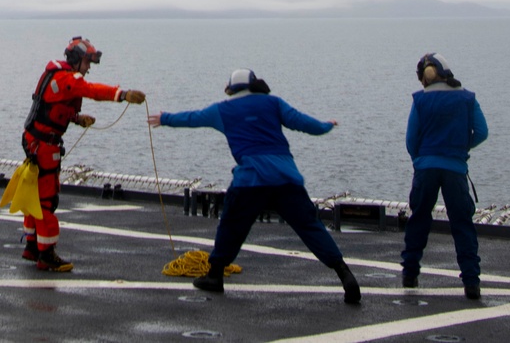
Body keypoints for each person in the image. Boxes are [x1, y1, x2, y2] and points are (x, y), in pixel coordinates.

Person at [148, 68, 360, 304]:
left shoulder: (222, 110)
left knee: (231, 226)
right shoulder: (273, 103)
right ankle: (345, 274)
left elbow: (192, 118)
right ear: (254, 84)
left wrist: (164, 118)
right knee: (310, 227)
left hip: (250, 180)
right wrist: (327, 125)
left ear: (230, 88)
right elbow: (305, 124)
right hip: (285, 177)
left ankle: (215, 276)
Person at [21, 36, 146, 272]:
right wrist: (123, 94)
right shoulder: (67, 79)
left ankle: (32, 246)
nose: (88, 69)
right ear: (77, 60)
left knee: (34, 196)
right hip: (44, 145)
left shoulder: (55, 76)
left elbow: (51, 108)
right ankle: (46, 254)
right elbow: (91, 90)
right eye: (87, 63)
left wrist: (76, 119)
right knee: (47, 199)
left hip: (35, 141)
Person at [401, 53, 488, 300]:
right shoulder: (467, 98)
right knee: (462, 224)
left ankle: (410, 274)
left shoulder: (420, 100)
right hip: (455, 169)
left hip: (426, 168)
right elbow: (482, 132)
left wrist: (420, 161)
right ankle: (471, 282)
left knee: (418, 219)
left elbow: (411, 140)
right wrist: (461, 148)